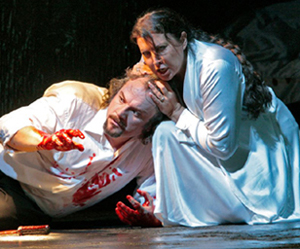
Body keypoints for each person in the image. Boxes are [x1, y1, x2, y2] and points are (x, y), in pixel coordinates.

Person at [116, 8, 300, 227]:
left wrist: (176, 112)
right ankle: (163, 211)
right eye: (147, 53)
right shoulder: (161, 63)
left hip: (255, 155)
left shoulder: (214, 65)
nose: (156, 61)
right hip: (225, 148)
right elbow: (138, 73)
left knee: (169, 131)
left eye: (161, 49)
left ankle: (185, 213)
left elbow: (222, 146)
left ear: (183, 39)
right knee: (165, 134)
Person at [0, 71, 165, 230]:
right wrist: (44, 140)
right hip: (5, 173)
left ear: (149, 127)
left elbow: (152, 195)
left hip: (30, 204)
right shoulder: (75, 101)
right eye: (121, 99)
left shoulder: (147, 150)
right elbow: (9, 124)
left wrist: (151, 216)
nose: (120, 113)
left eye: (136, 113)